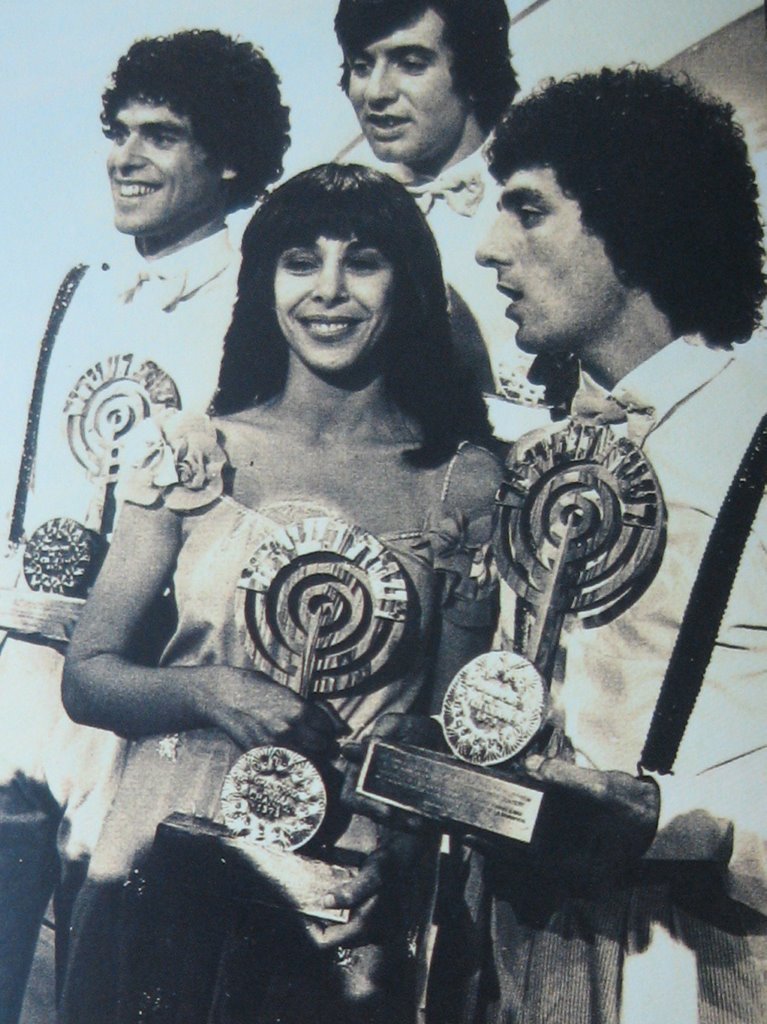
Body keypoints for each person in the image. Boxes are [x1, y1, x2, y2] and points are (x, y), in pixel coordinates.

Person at [57, 163, 502, 1024]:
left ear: (407, 285)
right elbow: (89, 677)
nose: (328, 290)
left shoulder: (465, 480)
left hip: (342, 888)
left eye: (362, 261)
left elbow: (450, 729)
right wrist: (213, 691)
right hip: (164, 850)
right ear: (264, 280)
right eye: (300, 261)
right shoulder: (191, 450)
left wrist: (407, 841)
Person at [450, 67, 767, 1024]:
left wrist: (679, 821)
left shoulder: (750, 426)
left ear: (633, 222)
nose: (487, 247)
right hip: (529, 951)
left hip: (708, 965)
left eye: (529, 210)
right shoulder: (541, 453)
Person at [0, 29, 289, 1023]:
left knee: (104, 986)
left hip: (145, 691)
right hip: (25, 678)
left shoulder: (261, 299)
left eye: (160, 135)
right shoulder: (77, 287)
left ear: (230, 157)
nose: (125, 157)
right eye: (118, 132)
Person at [333, 0, 550, 429]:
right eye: (361, 66)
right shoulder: (346, 222)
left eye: (411, 64)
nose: (376, 92)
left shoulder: (547, 195)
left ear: (474, 75)